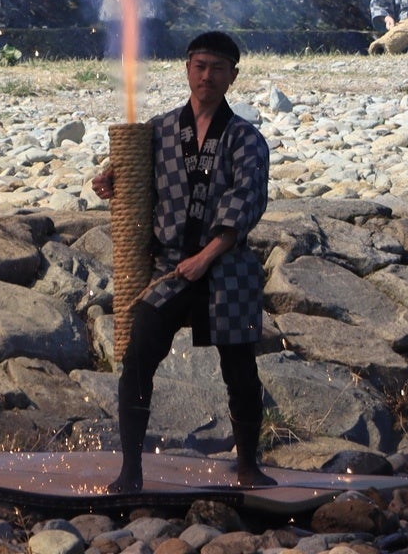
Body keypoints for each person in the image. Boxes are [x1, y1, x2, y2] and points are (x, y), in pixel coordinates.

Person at [91, 30, 273, 494]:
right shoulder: (162, 129)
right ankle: (130, 470)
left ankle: (248, 464)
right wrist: (111, 179)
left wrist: (206, 257)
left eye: (216, 67)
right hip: (170, 268)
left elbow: (245, 205)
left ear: (233, 76)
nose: (206, 75)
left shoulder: (247, 140)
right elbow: (125, 167)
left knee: (240, 369)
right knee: (137, 359)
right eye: (199, 65)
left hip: (226, 268)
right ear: (187, 69)